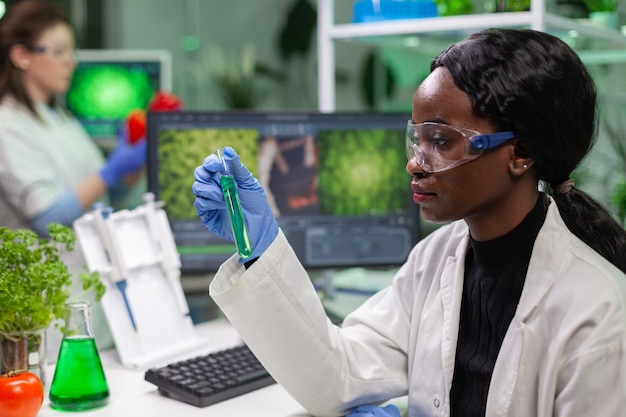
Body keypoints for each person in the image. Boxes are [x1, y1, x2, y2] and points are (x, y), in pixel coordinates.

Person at [193, 28, 626, 417]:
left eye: (441, 141)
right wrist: (257, 246)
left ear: (520, 153)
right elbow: (340, 374)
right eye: (416, 137)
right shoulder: (435, 260)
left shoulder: (599, 313)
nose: (414, 164)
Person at [0, 0, 146, 357]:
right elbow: (50, 218)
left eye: (72, 50)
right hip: (46, 316)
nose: (72, 61)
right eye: (60, 50)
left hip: (95, 303)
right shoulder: (8, 125)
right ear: (21, 55)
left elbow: (104, 203)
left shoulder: (63, 120)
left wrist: (130, 170)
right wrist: (110, 169)